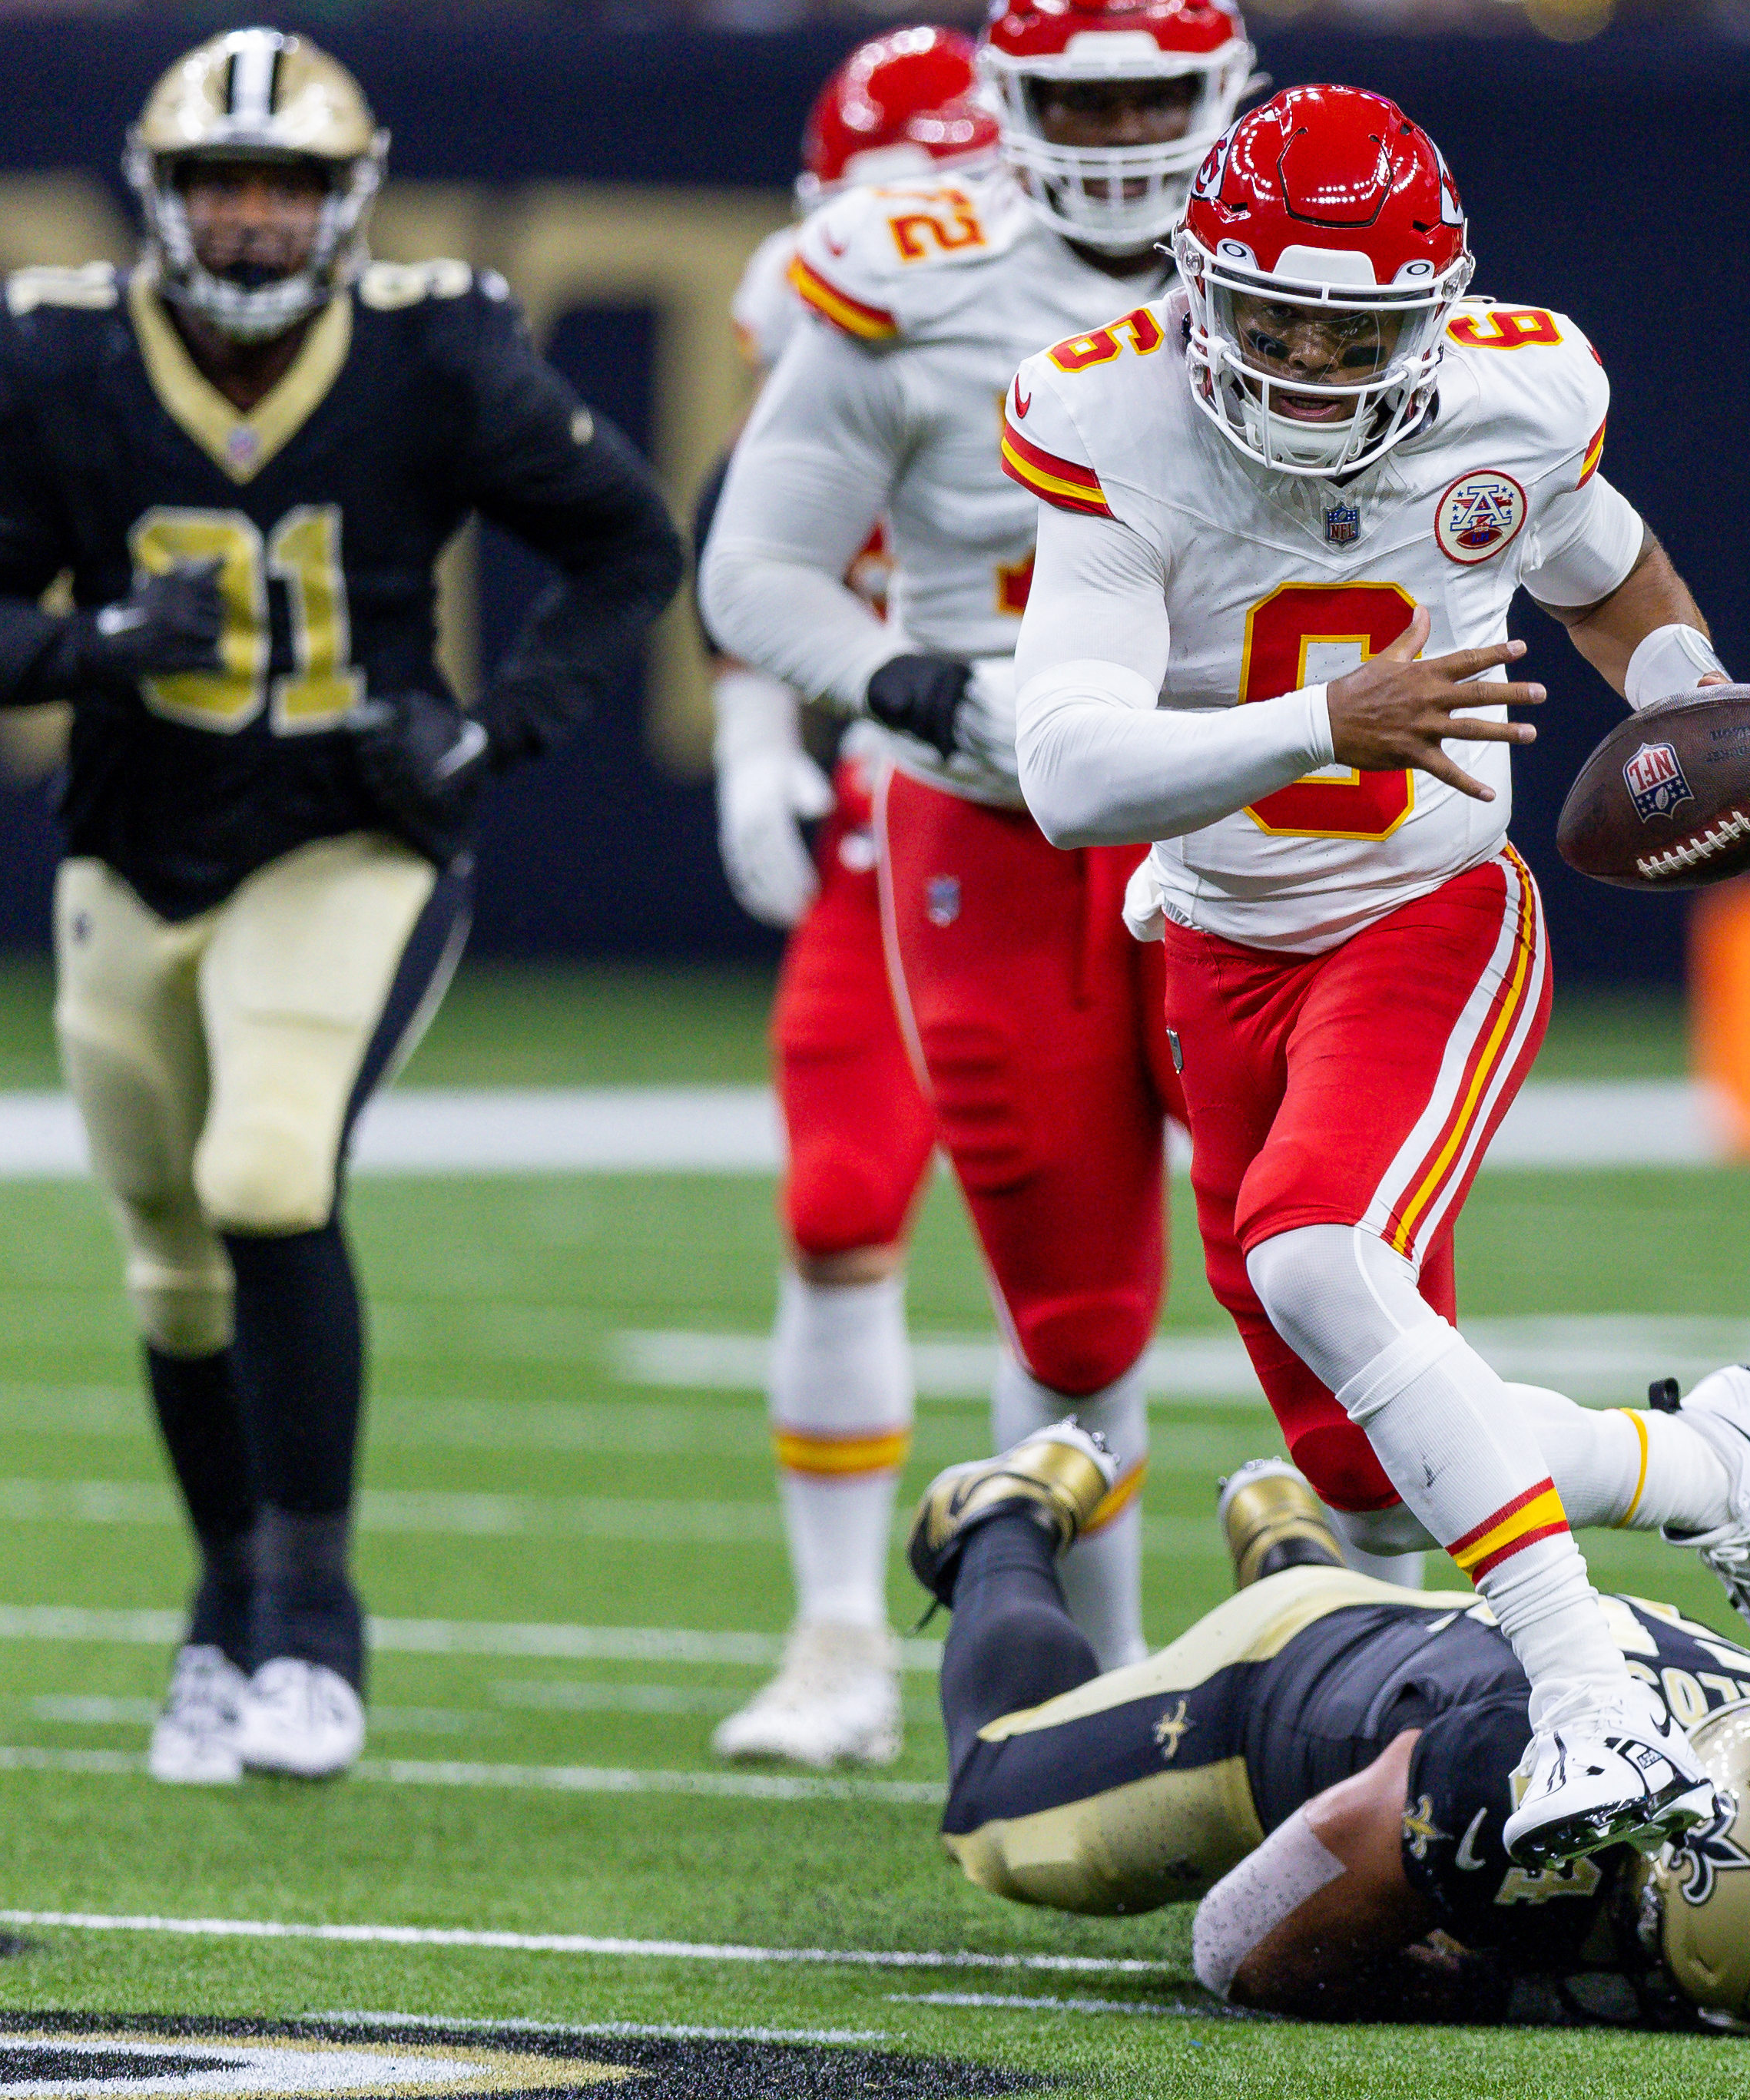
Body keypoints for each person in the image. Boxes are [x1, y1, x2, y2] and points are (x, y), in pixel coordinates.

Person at [1002, 83, 1750, 1868]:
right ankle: (1708, 1465)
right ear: (1193, 285)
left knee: (1318, 1250)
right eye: (1273, 317)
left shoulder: (1508, 397)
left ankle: (1586, 1692)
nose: (1309, 361)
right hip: (1221, 941)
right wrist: (1330, 712)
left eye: (1354, 325)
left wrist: (1689, 704)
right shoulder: (1115, 414)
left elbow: (1606, 575)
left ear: (1435, 308)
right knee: (1368, 1457)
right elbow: (1062, 769)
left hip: (1429, 909)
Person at [0, 29, 681, 1783]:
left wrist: (493, 731)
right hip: (134, 843)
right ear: (159, 197)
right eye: (219, 187)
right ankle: (223, 1607)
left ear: (348, 200)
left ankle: (317, 1625)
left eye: (285, 188)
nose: (251, 222)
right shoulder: (58, 354)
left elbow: (629, 544)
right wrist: (89, 643)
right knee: (173, 1266)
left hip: (347, 833)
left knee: (266, 1171)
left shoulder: (436, 346)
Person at [698, 0, 1264, 1746]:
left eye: (1158, 100)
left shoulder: (1299, 255)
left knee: (1306, 1261)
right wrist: (894, 681)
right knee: (1077, 1301)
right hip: (991, 814)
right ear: (1001, 103)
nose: (1120, 142)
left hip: (1248, 819)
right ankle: (1095, 1710)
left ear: (1226, 90)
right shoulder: (901, 278)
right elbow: (753, 568)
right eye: (1081, 106)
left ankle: (1381, 1685)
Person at [914, 1427, 1750, 2027]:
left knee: (1393, 1671)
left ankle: (1291, 1535)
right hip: (1266, 1695)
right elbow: (1237, 1945)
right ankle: (1002, 1519)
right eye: (1656, 1936)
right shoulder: (1501, 1781)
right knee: (993, 1814)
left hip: (1433, 1650)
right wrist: (1503, 1986)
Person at [690, 28, 987, 1773]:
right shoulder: (810, 306)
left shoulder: (1122, 302)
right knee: (837, 1196)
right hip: (916, 790)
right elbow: (767, 528)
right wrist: (751, 730)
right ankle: (835, 1633)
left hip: (1137, 804)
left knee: (1231, 1243)